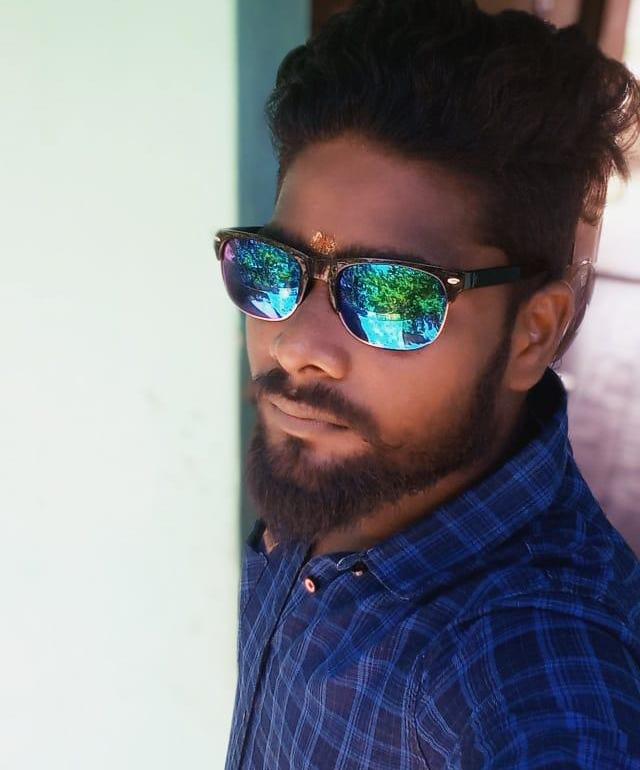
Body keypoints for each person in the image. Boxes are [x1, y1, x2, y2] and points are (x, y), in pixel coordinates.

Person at [217, 1, 640, 767]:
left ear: (532, 333)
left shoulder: (532, 662)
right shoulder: (344, 467)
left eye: (393, 297)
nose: (296, 346)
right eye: (273, 269)